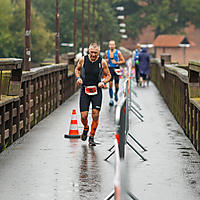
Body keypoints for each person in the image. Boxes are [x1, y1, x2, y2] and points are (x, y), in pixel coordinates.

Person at [75, 43, 111, 146]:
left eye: (95, 53)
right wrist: (78, 78)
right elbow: (77, 69)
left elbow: (108, 75)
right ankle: (86, 128)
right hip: (85, 90)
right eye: (92, 52)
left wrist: (103, 82)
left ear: (99, 52)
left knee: (95, 114)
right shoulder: (83, 60)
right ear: (89, 51)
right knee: (83, 116)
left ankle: (91, 137)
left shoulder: (102, 62)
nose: (93, 55)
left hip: (96, 90)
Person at [105, 40, 125, 106]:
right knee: (110, 84)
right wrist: (106, 60)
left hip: (116, 68)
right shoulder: (106, 52)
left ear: (115, 45)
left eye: (113, 45)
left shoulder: (118, 52)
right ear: (109, 45)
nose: (111, 46)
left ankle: (116, 93)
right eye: (110, 45)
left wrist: (117, 62)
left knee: (116, 84)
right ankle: (111, 99)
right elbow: (105, 60)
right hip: (110, 69)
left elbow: (123, 61)